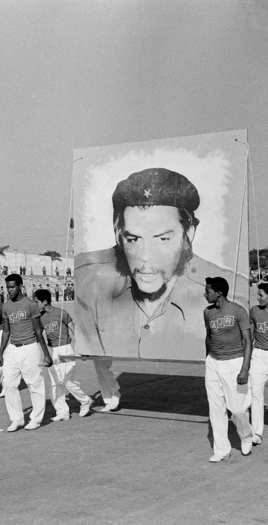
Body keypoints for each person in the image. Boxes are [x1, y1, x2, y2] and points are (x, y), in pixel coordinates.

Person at [76, 168, 249, 360]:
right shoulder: (89, 283)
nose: (146, 257)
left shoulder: (234, 293)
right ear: (118, 234)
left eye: (163, 239)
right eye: (133, 239)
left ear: (188, 233)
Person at [203, 276, 253, 462]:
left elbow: (248, 341)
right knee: (216, 408)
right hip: (213, 363)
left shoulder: (238, 311)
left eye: (208, 291)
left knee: (237, 408)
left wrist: (245, 369)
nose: (205, 294)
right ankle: (222, 449)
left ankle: (246, 436)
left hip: (234, 362)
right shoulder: (207, 313)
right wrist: (207, 359)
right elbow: (208, 337)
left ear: (219, 293)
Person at [0, 274, 53, 432]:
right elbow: (6, 331)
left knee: (34, 384)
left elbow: (37, 330)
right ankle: (16, 419)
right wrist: (1, 353)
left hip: (30, 348)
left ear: (20, 286)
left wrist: (46, 353)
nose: (10, 290)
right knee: (8, 384)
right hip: (13, 349)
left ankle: (36, 418)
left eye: (13, 287)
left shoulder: (30, 304)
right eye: (8, 287)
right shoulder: (6, 306)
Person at [33, 288, 92, 419]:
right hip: (52, 351)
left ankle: (85, 400)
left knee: (66, 380)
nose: (35, 304)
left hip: (66, 349)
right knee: (55, 383)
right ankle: (62, 412)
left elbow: (74, 330)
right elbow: (38, 335)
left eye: (37, 302)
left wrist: (82, 348)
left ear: (45, 301)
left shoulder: (61, 313)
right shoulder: (40, 318)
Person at [249, 282, 268, 445]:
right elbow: (250, 336)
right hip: (259, 356)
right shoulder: (254, 311)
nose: (258, 297)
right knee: (256, 394)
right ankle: (257, 433)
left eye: (261, 295)